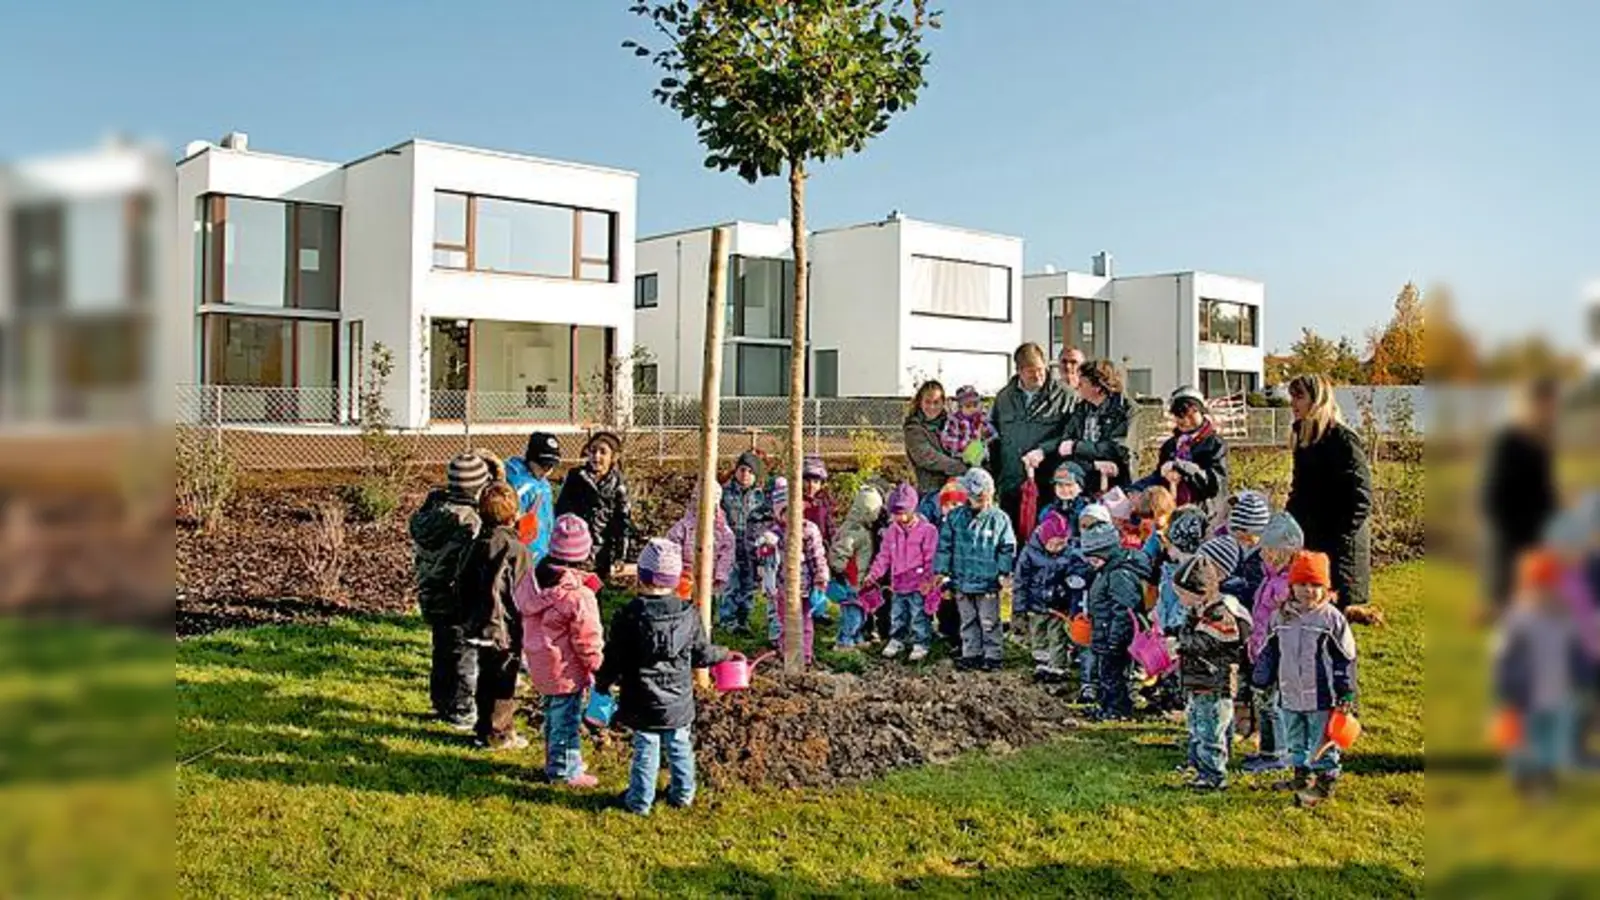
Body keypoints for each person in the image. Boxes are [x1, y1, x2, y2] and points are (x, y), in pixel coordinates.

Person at [595, 539, 730, 816]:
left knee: (646, 748)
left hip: (641, 699)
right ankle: (683, 794)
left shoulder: (629, 615)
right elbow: (702, 654)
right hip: (678, 700)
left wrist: (603, 683)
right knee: (680, 745)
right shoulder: (689, 614)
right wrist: (725, 654)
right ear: (676, 578)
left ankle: (639, 801)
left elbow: (614, 657)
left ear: (641, 577)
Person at [1251, 550, 1359, 808]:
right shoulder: (1280, 618)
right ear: (1292, 586)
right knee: (1294, 737)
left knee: (1322, 740)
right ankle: (1301, 776)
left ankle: (1325, 781)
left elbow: (1345, 658)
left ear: (1326, 588)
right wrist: (1261, 678)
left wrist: (1345, 692)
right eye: (1302, 584)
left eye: (1315, 585)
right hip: (1289, 692)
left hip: (1322, 695)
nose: (1308, 591)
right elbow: (1269, 651)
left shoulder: (1331, 619)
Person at [1495, 549, 1593, 799]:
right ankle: (1523, 777)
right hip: (1527, 694)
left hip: (1558, 692)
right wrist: (1509, 689)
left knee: (1552, 740)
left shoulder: (1563, 618)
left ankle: (1546, 777)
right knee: (1524, 740)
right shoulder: (1519, 619)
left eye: (1551, 587)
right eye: (1539, 587)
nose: (1546, 593)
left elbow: (1577, 649)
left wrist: (1581, 678)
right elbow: (1505, 657)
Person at [515, 514, 604, 788]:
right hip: (566, 670)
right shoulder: (578, 596)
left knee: (555, 716)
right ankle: (565, 771)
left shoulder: (533, 581)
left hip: (540, 663)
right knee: (566, 721)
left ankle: (559, 760)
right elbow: (586, 639)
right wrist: (598, 665)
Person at [408, 453, 489, 729]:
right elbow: (468, 564)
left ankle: (441, 701)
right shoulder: (469, 523)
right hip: (457, 598)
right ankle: (462, 708)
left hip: (431, 593)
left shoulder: (431, 514)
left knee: (442, 648)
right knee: (464, 654)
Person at [1285, 374, 1373, 611]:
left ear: (1318, 399)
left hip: (1341, 548)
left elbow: (1361, 497)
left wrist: (1340, 537)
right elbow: (1300, 490)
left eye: (1299, 396)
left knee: (1336, 619)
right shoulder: (1305, 440)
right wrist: (1289, 524)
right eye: (1292, 396)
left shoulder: (1343, 440)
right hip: (1314, 541)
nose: (1293, 403)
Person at [458, 483, 533, 751]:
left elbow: (462, 580)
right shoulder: (516, 549)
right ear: (514, 515)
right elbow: (524, 592)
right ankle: (499, 733)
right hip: (504, 626)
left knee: (486, 676)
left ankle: (483, 726)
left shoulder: (477, 544)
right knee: (503, 679)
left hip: (479, 623)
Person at [1172, 555, 1252, 791]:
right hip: (1200, 677)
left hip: (1214, 680)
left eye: (1182, 594)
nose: (1180, 599)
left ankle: (1213, 775)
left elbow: (1206, 642)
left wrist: (1179, 643)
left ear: (1200, 592)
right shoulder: (1200, 609)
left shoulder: (1220, 615)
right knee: (1200, 722)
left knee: (1211, 728)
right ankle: (1200, 766)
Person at [1481, 378, 1561, 614]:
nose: (1551, 411)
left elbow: (1543, 486)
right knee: (1512, 581)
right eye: (1547, 404)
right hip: (1515, 522)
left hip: (1536, 522)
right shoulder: (1513, 440)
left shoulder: (1542, 438)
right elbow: (1498, 488)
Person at [1240, 511, 1306, 775]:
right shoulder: (1269, 578)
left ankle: (1277, 752)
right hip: (1262, 648)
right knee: (1265, 702)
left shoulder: (1286, 586)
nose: (1264, 557)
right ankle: (1269, 750)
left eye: (1269, 553)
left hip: (1277, 652)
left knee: (1272, 703)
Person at [935, 468, 1018, 672]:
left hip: (988, 581)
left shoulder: (999, 519)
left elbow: (1007, 547)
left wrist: (1003, 572)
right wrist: (942, 572)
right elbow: (945, 546)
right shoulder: (955, 518)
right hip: (962, 580)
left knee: (990, 620)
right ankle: (971, 653)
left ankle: (993, 655)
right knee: (968, 619)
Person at [993, 343, 1076, 528]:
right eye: (1031, 371)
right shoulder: (1004, 398)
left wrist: (1043, 451)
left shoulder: (1065, 397)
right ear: (1019, 371)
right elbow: (995, 437)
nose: (1038, 375)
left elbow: (1071, 437)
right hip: (1011, 484)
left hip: (1048, 485)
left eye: (1041, 369)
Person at [1081, 520, 1154, 720]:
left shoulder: (1119, 575)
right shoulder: (1106, 571)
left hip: (1115, 636)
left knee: (1115, 675)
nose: (1091, 563)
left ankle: (1117, 709)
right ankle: (1106, 705)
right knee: (1106, 673)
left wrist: (1116, 639)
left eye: (1095, 558)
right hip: (1105, 630)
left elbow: (1124, 611)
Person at [866, 483, 940, 662]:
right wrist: (874, 574)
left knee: (918, 614)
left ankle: (921, 642)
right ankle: (897, 638)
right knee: (897, 613)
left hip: (918, 582)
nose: (898, 517)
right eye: (895, 513)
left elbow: (931, 558)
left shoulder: (927, 531)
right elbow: (884, 556)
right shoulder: (892, 532)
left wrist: (928, 579)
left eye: (902, 512)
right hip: (899, 582)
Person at [1131, 386, 1229, 517]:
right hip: (1171, 513)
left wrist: (1181, 466)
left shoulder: (1215, 444)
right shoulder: (1170, 445)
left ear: (1201, 412)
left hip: (1206, 514)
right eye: (1180, 416)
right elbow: (1159, 477)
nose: (1186, 421)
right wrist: (1136, 489)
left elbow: (1215, 484)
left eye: (1192, 414)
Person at [762, 478, 830, 663]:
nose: (791, 517)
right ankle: (787, 654)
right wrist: (765, 547)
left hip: (805, 586)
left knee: (805, 622)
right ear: (778, 514)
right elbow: (766, 560)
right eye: (785, 512)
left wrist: (820, 579)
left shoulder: (808, 530)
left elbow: (817, 556)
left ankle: (805, 656)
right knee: (786, 621)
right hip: (783, 587)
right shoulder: (774, 533)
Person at [1014, 510, 1082, 682]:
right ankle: (1041, 661)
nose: (1059, 548)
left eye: (1063, 544)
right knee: (1038, 632)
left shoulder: (1070, 554)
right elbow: (1021, 581)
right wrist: (1019, 607)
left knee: (1057, 635)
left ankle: (1057, 666)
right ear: (1044, 539)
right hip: (1036, 603)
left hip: (1058, 605)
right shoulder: (1030, 552)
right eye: (1055, 544)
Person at [555, 431, 633, 581]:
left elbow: (623, 520)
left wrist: (620, 555)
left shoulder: (618, 485)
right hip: (574, 547)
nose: (596, 457)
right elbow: (562, 510)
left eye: (602, 452)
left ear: (613, 457)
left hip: (601, 550)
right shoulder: (576, 477)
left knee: (593, 594)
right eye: (593, 451)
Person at [1056, 360, 1134, 496]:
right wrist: (1093, 465)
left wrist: (1077, 447)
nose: (1077, 386)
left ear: (1097, 386)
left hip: (1114, 485)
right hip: (1083, 480)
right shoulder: (1081, 409)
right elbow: (1066, 442)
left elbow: (1114, 448)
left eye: (1082, 383)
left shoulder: (1122, 411)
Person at [827, 485, 886, 651]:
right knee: (852, 614)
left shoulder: (861, 529)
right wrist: (838, 568)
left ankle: (857, 637)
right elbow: (841, 549)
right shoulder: (854, 531)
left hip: (859, 580)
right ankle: (844, 641)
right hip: (851, 580)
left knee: (861, 612)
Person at [719, 451, 771, 635]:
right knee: (731, 584)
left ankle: (744, 618)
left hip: (751, 548)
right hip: (730, 547)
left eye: (750, 471)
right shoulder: (724, 494)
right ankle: (728, 619)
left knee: (748, 585)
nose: (745, 474)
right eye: (742, 470)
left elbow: (767, 521)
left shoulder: (761, 497)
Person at [903, 380, 969, 518]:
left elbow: (964, 444)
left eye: (936, 402)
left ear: (943, 402)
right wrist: (959, 467)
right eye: (928, 402)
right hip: (930, 492)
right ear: (920, 402)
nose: (932, 407)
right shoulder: (913, 428)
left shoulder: (952, 423)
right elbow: (927, 457)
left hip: (955, 490)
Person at [665, 477, 736, 601]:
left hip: (710, 576)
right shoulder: (684, 526)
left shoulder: (722, 530)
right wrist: (676, 569)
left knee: (706, 606)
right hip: (686, 575)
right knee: (685, 605)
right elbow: (671, 547)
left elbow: (727, 554)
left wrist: (720, 576)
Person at [505, 432, 562, 562]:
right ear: (530, 460)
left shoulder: (543, 482)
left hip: (544, 549)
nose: (547, 471)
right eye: (543, 465)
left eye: (551, 466)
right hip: (527, 555)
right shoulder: (519, 486)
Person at [932, 479, 970, 646]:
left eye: (955, 504)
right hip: (944, 572)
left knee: (961, 607)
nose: (951, 509)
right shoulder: (939, 527)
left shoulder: (966, 526)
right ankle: (946, 632)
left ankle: (960, 638)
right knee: (945, 604)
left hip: (962, 572)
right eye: (947, 505)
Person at [1219, 490, 1271, 603]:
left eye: (1242, 536)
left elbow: (1254, 588)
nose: (1238, 540)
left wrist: (1230, 588)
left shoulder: (1262, 557)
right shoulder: (1247, 550)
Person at [941, 385, 998, 466]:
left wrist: (986, 432)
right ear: (960, 407)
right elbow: (946, 440)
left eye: (975, 405)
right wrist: (966, 444)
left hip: (980, 459)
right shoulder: (955, 421)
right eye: (968, 406)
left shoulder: (980, 418)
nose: (972, 409)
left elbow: (994, 434)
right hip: (961, 460)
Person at [1041, 462, 1089, 534]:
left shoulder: (1088, 510)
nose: (1065, 490)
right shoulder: (1048, 510)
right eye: (1060, 485)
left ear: (1080, 488)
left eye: (1069, 485)